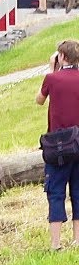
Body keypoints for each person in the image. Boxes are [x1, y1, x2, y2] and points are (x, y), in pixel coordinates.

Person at [36, 40, 79, 250]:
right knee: (78, 191)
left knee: (56, 192)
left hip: (58, 146)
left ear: (62, 56)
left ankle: (55, 243)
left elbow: (39, 100)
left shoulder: (52, 78)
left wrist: (51, 69)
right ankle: (77, 239)